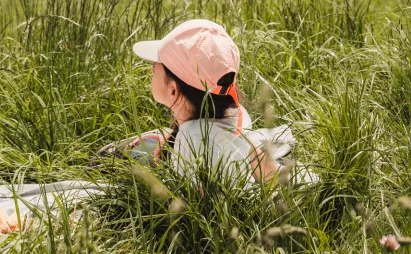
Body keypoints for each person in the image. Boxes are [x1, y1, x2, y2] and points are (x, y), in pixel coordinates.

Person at [103, 19, 296, 183]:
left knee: (107, 160)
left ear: (173, 89)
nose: (152, 70)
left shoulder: (193, 146)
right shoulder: (232, 115)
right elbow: (267, 170)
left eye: (156, 66)